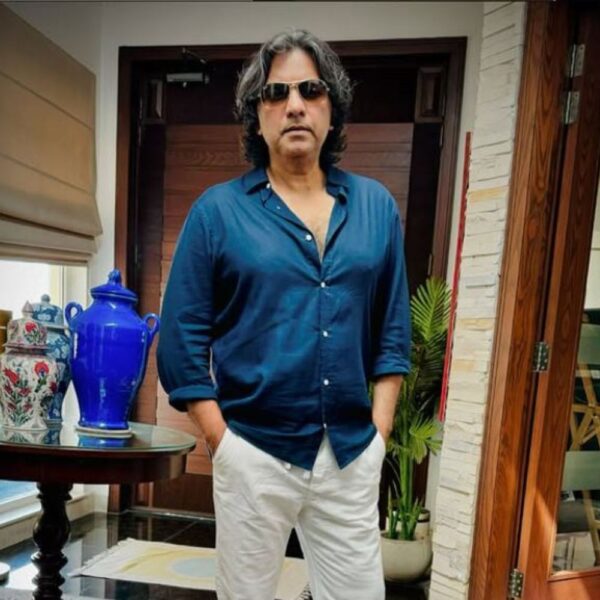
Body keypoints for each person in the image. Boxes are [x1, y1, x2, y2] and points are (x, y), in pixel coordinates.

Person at [157, 29, 411, 600]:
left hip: (349, 455)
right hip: (253, 453)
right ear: (256, 115)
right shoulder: (218, 213)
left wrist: (380, 433)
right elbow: (180, 340)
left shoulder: (375, 207)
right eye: (276, 93)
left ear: (332, 108)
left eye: (310, 90)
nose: (294, 105)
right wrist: (223, 442)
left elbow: (393, 330)